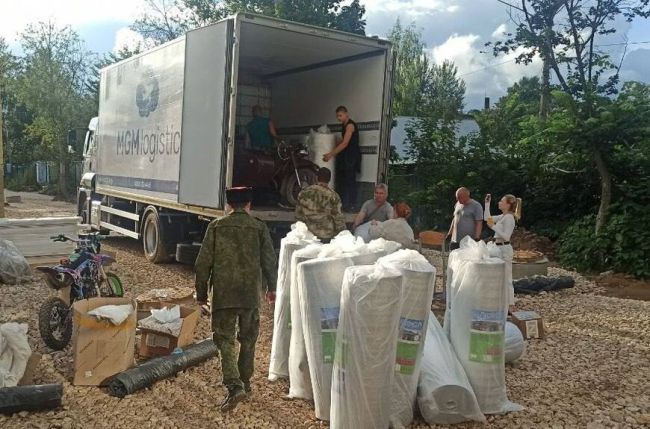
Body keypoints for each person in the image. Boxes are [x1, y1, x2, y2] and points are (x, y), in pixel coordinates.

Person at [194, 187, 277, 412]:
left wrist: (201, 295)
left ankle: (234, 386)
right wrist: (272, 288)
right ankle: (246, 382)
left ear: (229, 205)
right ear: (249, 204)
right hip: (250, 294)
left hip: (224, 294)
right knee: (249, 338)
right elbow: (269, 260)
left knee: (225, 340)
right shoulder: (259, 228)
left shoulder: (216, 227)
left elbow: (202, 264)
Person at [484, 193, 522, 309]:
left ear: (508, 205)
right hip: (498, 248)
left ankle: (510, 304)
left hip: (504, 249)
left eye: (502, 201)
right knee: (498, 276)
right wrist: (487, 204)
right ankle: (501, 302)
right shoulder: (502, 216)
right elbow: (487, 218)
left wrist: (493, 227)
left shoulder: (509, 218)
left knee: (506, 277)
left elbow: (506, 236)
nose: (499, 202)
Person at [323, 106, 361, 210]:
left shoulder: (350, 126)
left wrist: (331, 154)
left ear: (346, 114)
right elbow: (342, 141)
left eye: (340, 115)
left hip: (351, 156)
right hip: (346, 156)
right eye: (337, 116)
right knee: (343, 180)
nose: (338, 118)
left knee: (350, 180)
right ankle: (344, 203)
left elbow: (345, 143)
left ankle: (352, 204)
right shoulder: (344, 125)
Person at [295, 167, 346, 242]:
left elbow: (298, 215)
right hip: (325, 234)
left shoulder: (304, 193)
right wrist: (343, 233)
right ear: (329, 180)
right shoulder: (333, 196)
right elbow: (338, 218)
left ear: (316, 177)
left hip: (308, 234)